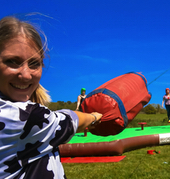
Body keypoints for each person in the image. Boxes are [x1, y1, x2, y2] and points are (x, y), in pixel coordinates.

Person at [0, 16, 102, 179]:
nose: (26, 76)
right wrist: (95, 116)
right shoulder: (26, 116)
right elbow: (69, 122)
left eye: (34, 63)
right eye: (12, 61)